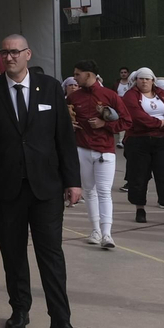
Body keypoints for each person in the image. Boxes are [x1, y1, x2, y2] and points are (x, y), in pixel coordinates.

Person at [0, 34, 84, 328]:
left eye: (15, 52)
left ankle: (61, 321)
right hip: (5, 187)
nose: (9, 57)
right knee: (13, 252)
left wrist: (73, 180)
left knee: (51, 254)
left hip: (46, 186)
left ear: (28, 54)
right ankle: (19, 309)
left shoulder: (51, 88)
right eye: (5, 52)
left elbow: (64, 138)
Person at [66, 60, 129, 248]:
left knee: (104, 192)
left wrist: (105, 124)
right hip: (81, 149)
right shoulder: (73, 97)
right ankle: (95, 231)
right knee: (89, 191)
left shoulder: (110, 95)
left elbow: (126, 121)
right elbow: (62, 119)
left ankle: (107, 234)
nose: (75, 78)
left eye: (77, 74)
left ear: (88, 74)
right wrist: (68, 124)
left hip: (105, 150)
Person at [120, 67, 164, 225]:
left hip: (162, 141)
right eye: (141, 79)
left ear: (153, 81)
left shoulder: (162, 94)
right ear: (136, 80)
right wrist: (162, 123)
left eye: (147, 79)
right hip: (138, 141)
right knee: (139, 176)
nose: (144, 81)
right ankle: (140, 209)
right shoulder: (130, 96)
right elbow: (138, 118)